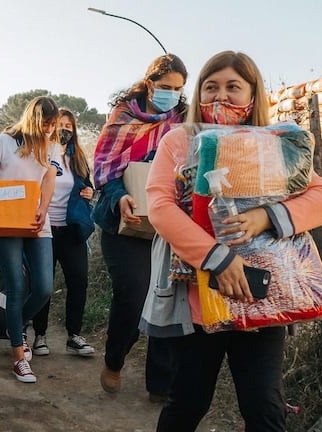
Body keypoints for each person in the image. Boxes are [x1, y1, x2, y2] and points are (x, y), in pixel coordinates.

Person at [146, 51, 322, 431]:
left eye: (233, 87)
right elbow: (160, 207)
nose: (221, 96)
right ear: (198, 93)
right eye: (211, 87)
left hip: (261, 296)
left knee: (264, 405)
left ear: (253, 95)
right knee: (188, 400)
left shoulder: (278, 145)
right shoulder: (179, 141)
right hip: (199, 297)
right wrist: (217, 257)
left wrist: (266, 217)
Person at [92, 54, 189, 395]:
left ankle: (160, 384)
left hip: (167, 225)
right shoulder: (123, 117)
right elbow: (104, 168)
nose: (171, 94)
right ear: (149, 84)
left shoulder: (184, 121)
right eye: (165, 87)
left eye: (178, 89)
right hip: (123, 224)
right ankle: (114, 359)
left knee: (166, 296)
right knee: (133, 296)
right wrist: (120, 196)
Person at [0, 96, 61, 383]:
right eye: (45, 124)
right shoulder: (4, 141)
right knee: (16, 286)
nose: (49, 129)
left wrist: (43, 209)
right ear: (32, 119)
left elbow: (48, 181)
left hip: (37, 222)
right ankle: (19, 358)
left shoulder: (53, 147)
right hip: (4, 221)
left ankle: (15, 324)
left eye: (53, 124)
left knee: (45, 287)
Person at [29, 108, 96, 357]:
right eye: (60, 125)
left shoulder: (77, 158)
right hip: (44, 228)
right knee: (43, 283)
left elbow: (85, 186)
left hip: (71, 229)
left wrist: (89, 192)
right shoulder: (39, 152)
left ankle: (74, 335)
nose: (65, 130)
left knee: (78, 281)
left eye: (69, 126)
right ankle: (40, 335)